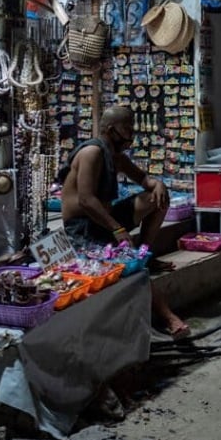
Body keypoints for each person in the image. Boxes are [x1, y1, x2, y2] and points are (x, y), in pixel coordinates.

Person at [59, 104, 188, 337]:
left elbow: (144, 179)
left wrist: (158, 184)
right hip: (83, 227)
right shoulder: (92, 153)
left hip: (106, 220)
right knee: (128, 269)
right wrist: (117, 228)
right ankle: (169, 318)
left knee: (158, 198)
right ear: (110, 129)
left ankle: (145, 253)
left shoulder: (115, 157)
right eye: (127, 128)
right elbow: (87, 200)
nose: (131, 134)